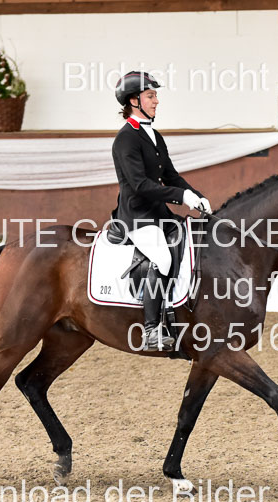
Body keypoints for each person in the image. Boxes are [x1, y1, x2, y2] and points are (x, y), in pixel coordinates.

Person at [111, 70, 210, 351]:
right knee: (163, 259)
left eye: (155, 96)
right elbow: (140, 185)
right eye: (150, 96)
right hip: (137, 216)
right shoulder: (126, 139)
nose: (156, 101)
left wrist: (196, 196)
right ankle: (152, 330)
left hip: (159, 214)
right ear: (134, 101)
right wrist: (181, 196)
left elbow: (170, 176)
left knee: (191, 243)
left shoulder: (154, 135)